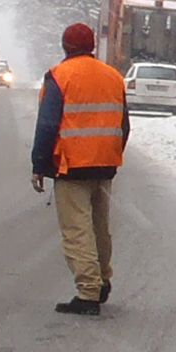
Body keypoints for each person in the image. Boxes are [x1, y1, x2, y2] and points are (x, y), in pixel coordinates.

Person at [30, 22, 130, 316]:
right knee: (100, 227)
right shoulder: (113, 77)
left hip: (71, 165)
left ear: (65, 47)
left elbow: (48, 124)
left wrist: (39, 165)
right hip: (105, 164)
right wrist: (112, 152)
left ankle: (89, 291)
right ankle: (103, 279)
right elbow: (124, 124)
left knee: (77, 229)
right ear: (92, 47)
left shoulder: (59, 77)